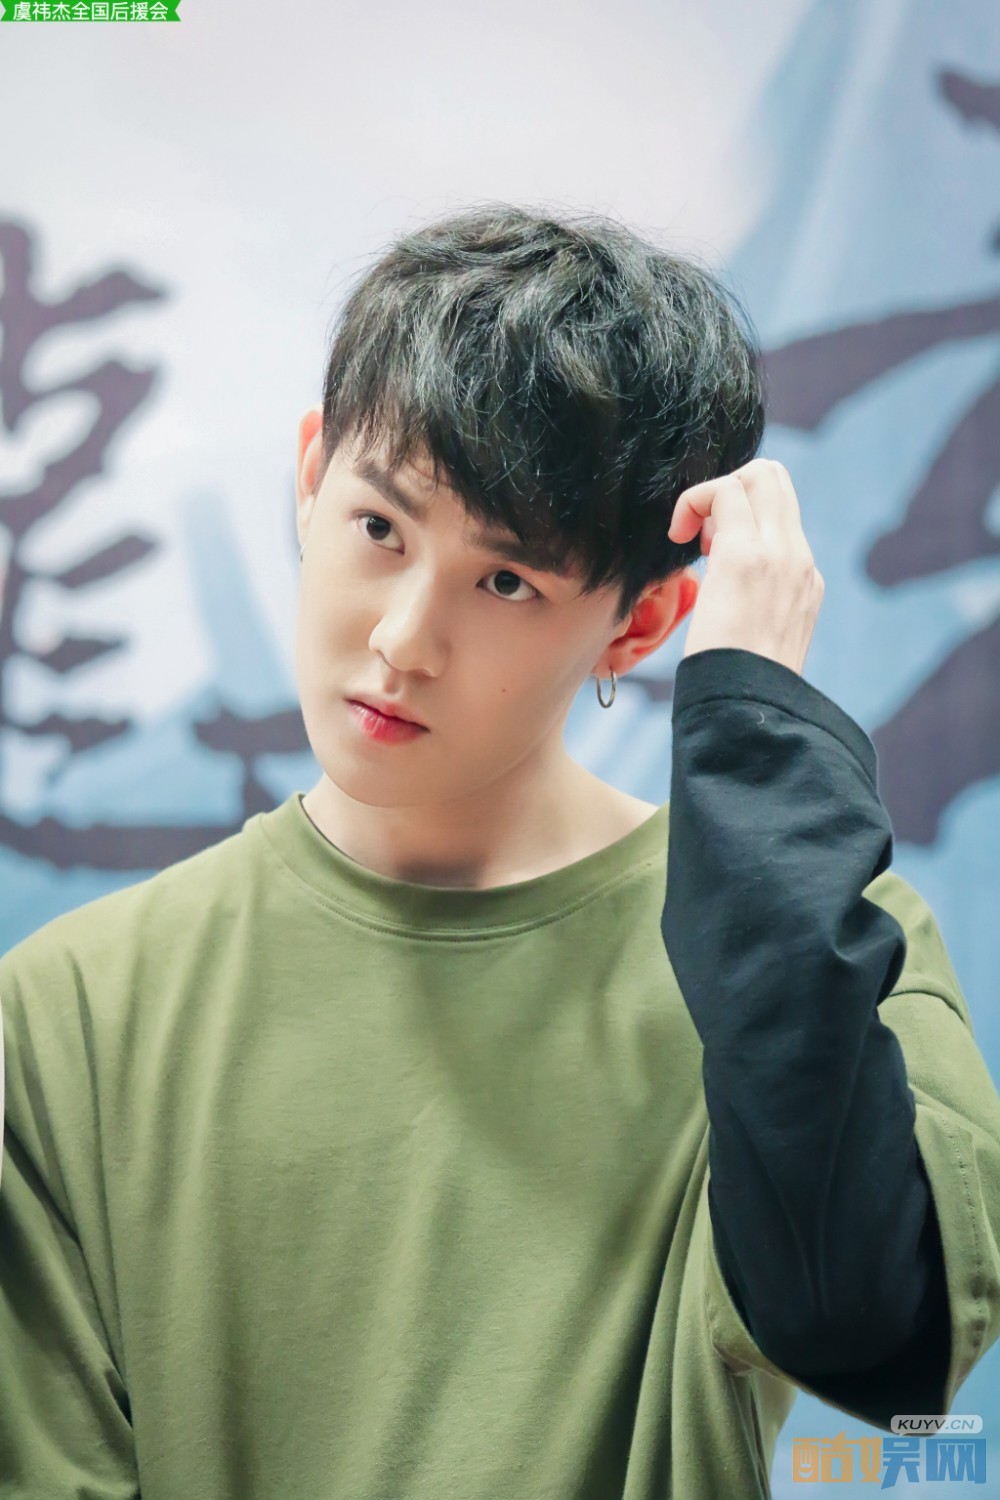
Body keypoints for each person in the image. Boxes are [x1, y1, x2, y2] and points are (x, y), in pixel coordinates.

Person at [1, 202, 998, 1500]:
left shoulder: (819, 941)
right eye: (380, 528)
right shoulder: (71, 1011)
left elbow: (873, 1335)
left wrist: (754, 728)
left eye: (507, 581)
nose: (403, 639)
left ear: (642, 624)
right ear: (310, 474)